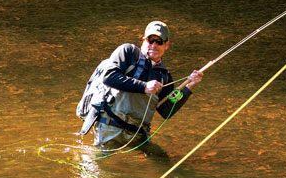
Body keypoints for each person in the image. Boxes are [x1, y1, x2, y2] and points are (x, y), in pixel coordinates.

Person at [78, 20, 204, 153]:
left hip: (138, 134)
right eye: (150, 40)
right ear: (144, 40)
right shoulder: (127, 52)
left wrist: (188, 87)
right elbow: (109, 77)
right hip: (110, 127)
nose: (154, 45)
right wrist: (144, 86)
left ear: (166, 45)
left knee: (161, 160)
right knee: (101, 163)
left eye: (159, 42)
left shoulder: (164, 76)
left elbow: (166, 111)